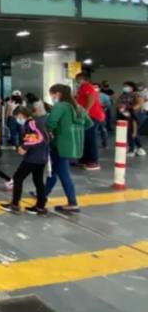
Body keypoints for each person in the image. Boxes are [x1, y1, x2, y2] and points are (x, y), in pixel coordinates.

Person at [44, 83, 93, 214]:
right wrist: (73, 131)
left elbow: (50, 123)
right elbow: (89, 123)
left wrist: (53, 131)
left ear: (58, 93)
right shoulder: (78, 107)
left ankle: (72, 203)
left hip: (59, 144)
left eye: (52, 94)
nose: (51, 96)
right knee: (53, 171)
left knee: (62, 173)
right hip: (73, 144)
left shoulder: (60, 106)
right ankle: (42, 195)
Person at [0, 106, 49, 215]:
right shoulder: (37, 122)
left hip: (33, 158)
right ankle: (40, 206)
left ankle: (15, 204)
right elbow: (47, 137)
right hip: (42, 157)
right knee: (38, 181)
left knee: (18, 178)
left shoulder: (31, 123)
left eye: (17, 116)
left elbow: (39, 137)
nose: (17, 119)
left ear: (21, 114)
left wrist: (24, 147)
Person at [74, 72, 104, 171]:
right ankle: (84, 160)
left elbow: (91, 98)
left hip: (91, 116)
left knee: (90, 138)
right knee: (85, 138)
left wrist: (86, 111)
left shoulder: (86, 86)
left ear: (82, 79)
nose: (76, 81)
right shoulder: (82, 88)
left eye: (77, 79)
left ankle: (93, 161)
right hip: (88, 116)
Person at [117, 81, 144, 157]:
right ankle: (140, 148)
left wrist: (131, 109)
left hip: (134, 115)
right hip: (124, 115)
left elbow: (139, 103)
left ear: (132, 87)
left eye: (126, 86)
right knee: (130, 132)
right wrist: (120, 107)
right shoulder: (123, 94)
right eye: (124, 86)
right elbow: (119, 102)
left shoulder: (137, 94)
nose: (125, 87)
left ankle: (132, 150)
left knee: (131, 132)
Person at [95, 84, 110, 149]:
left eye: (96, 87)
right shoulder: (89, 95)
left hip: (101, 115)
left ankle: (105, 144)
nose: (94, 88)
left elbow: (108, 105)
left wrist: (103, 106)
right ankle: (94, 144)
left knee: (103, 129)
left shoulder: (104, 96)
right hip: (91, 115)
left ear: (99, 88)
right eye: (93, 87)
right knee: (93, 130)